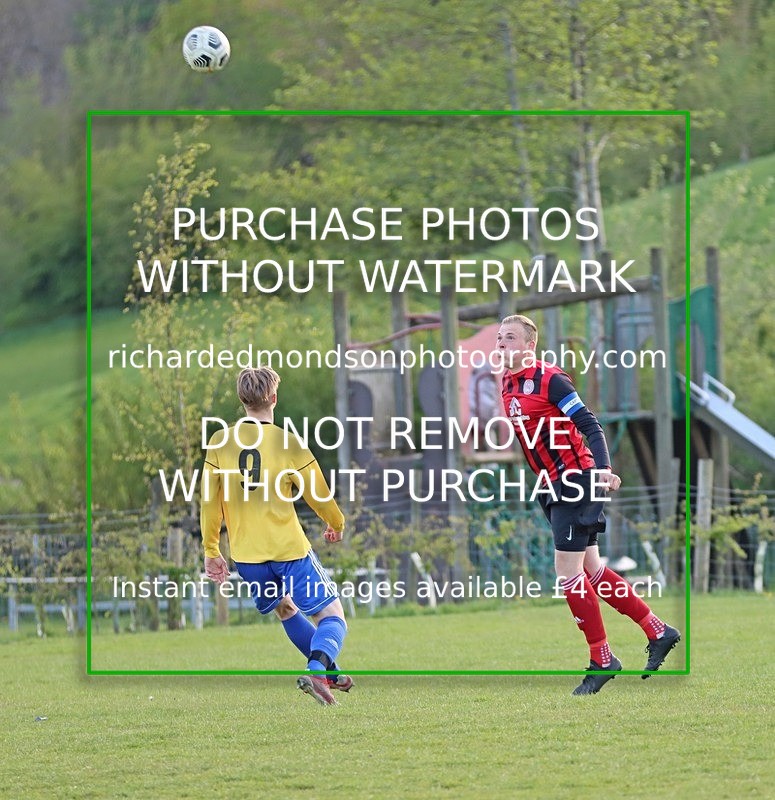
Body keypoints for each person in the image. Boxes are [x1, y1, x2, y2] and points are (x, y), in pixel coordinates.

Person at [497, 314, 680, 694]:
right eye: (499, 338)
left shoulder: (551, 379)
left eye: (510, 338)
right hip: (550, 485)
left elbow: (589, 423)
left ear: (530, 346)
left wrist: (603, 469)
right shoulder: (508, 382)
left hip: (576, 480)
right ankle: (658, 631)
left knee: (568, 574)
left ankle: (603, 659)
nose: (501, 344)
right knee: (592, 571)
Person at [200, 366, 350, 706]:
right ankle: (317, 667)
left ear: (242, 400)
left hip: (248, 557)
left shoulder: (219, 442)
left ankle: (330, 674)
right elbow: (318, 494)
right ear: (274, 398)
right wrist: (336, 523)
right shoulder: (287, 442)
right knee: (333, 617)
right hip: (288, 549)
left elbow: (210, 503)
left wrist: (212, 549)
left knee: (285, 609)